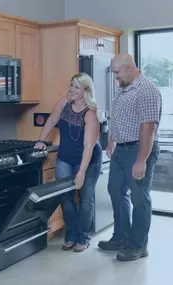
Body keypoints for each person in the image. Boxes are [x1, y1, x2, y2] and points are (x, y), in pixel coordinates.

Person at [97, 53, 161, 261]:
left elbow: (148, 129)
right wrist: (113, 139)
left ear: (130, 68)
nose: (114, 76)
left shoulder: (147, 91)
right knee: (115, 191)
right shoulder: (124, 88)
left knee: (139, 197)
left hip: (138, 149)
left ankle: (138, 245)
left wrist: (141, 159)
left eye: (116, 72)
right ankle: (121, 237)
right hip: (120, 149)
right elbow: (122, 117)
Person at [34, 73, 102, 252]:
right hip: (65, 158)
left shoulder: (91, 113)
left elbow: (88, 146)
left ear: (85, 90)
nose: (71, 89)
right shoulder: (64, 103)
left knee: (86, 199)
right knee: (66, 197)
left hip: (88, 160)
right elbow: (52, 120)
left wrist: (82, 172)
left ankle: (83, 237)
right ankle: (71, 235)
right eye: (71, 85)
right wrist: (41, 139)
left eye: (76, 87)